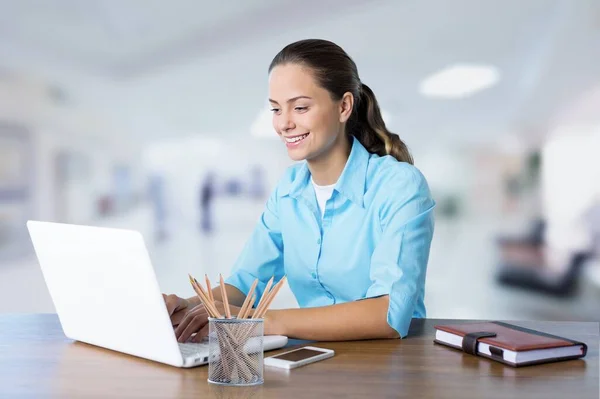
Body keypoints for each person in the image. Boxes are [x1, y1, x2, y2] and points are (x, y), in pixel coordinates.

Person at [164, 39, 435, 342]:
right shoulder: (289, 189)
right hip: (315, 359)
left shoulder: (399, 185)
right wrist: (185, 307)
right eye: (276, 109)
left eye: (301, 107)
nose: (284, 124)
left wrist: (261, 320)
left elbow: (388, 314)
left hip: (389, 365)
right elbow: (246, 283)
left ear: (344, 106)